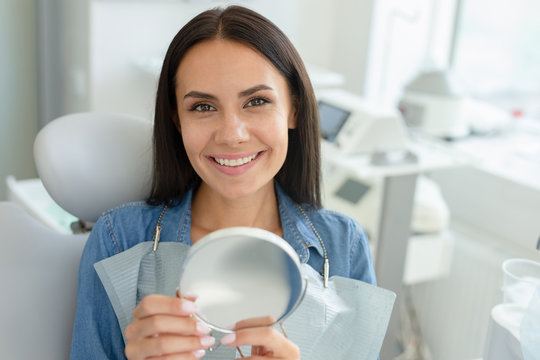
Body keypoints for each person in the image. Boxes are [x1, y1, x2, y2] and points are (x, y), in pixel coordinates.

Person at [70, 5, 376, 360]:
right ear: (176, 119)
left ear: (293, 107)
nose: (232, 135)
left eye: (257, 101)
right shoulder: (116, 239)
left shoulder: (344, 248)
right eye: (202, 107)